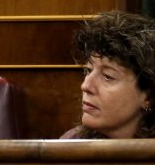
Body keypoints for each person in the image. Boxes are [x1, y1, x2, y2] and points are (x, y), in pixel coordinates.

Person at [61, 11, 155, 139]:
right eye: (88, 70)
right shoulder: (71, 142)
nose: (85, 86)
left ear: (148, 96)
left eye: (107, 76)